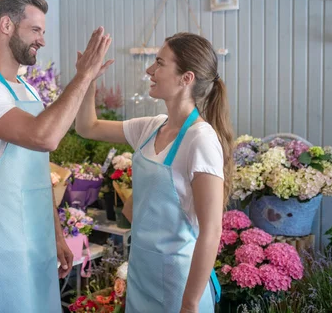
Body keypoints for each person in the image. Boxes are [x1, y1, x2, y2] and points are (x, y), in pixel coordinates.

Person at [0, 0, 113, 312]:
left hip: (38, 235)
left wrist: (55, 234)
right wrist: (82, 76)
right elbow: (44, 138)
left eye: (43, 32)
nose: (42, 40)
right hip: (1, 240)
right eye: (35, 30)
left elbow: (38, 172)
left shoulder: (26, 88)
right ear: (6, 25)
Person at [75, 32, 234, 313]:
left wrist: (190, 304)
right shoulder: (151, 127)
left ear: (187, 78)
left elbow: (211, 230)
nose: (150, 70)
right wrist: (88, 80)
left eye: (159, 63)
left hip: (180, 286)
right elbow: (87, 127)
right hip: (141, 276)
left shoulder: (200, 140)